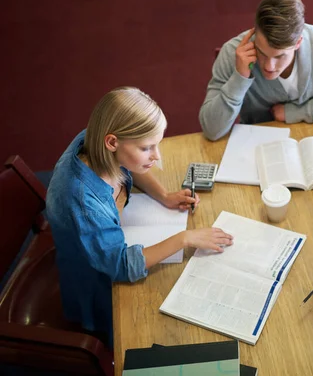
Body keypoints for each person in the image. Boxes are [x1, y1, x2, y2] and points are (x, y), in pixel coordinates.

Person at [46, 87, 233, 345]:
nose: (156, 157)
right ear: (112, 142)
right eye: (147, 148)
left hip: (99, 238)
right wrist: (184, 238)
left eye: (157, 144)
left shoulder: (99, 137)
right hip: (94, 279)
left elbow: (129, 163)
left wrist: (164, 195)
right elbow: (120, 266)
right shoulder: (84, 202)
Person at [199, 0, 313, 141]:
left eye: (280, 56)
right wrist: (240, 77)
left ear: (298, 42)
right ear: (254, 32)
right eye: (262, 52)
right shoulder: (233, 53)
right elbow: (212, 130)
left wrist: (297, 112)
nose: (269, 66)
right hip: (258, 144)